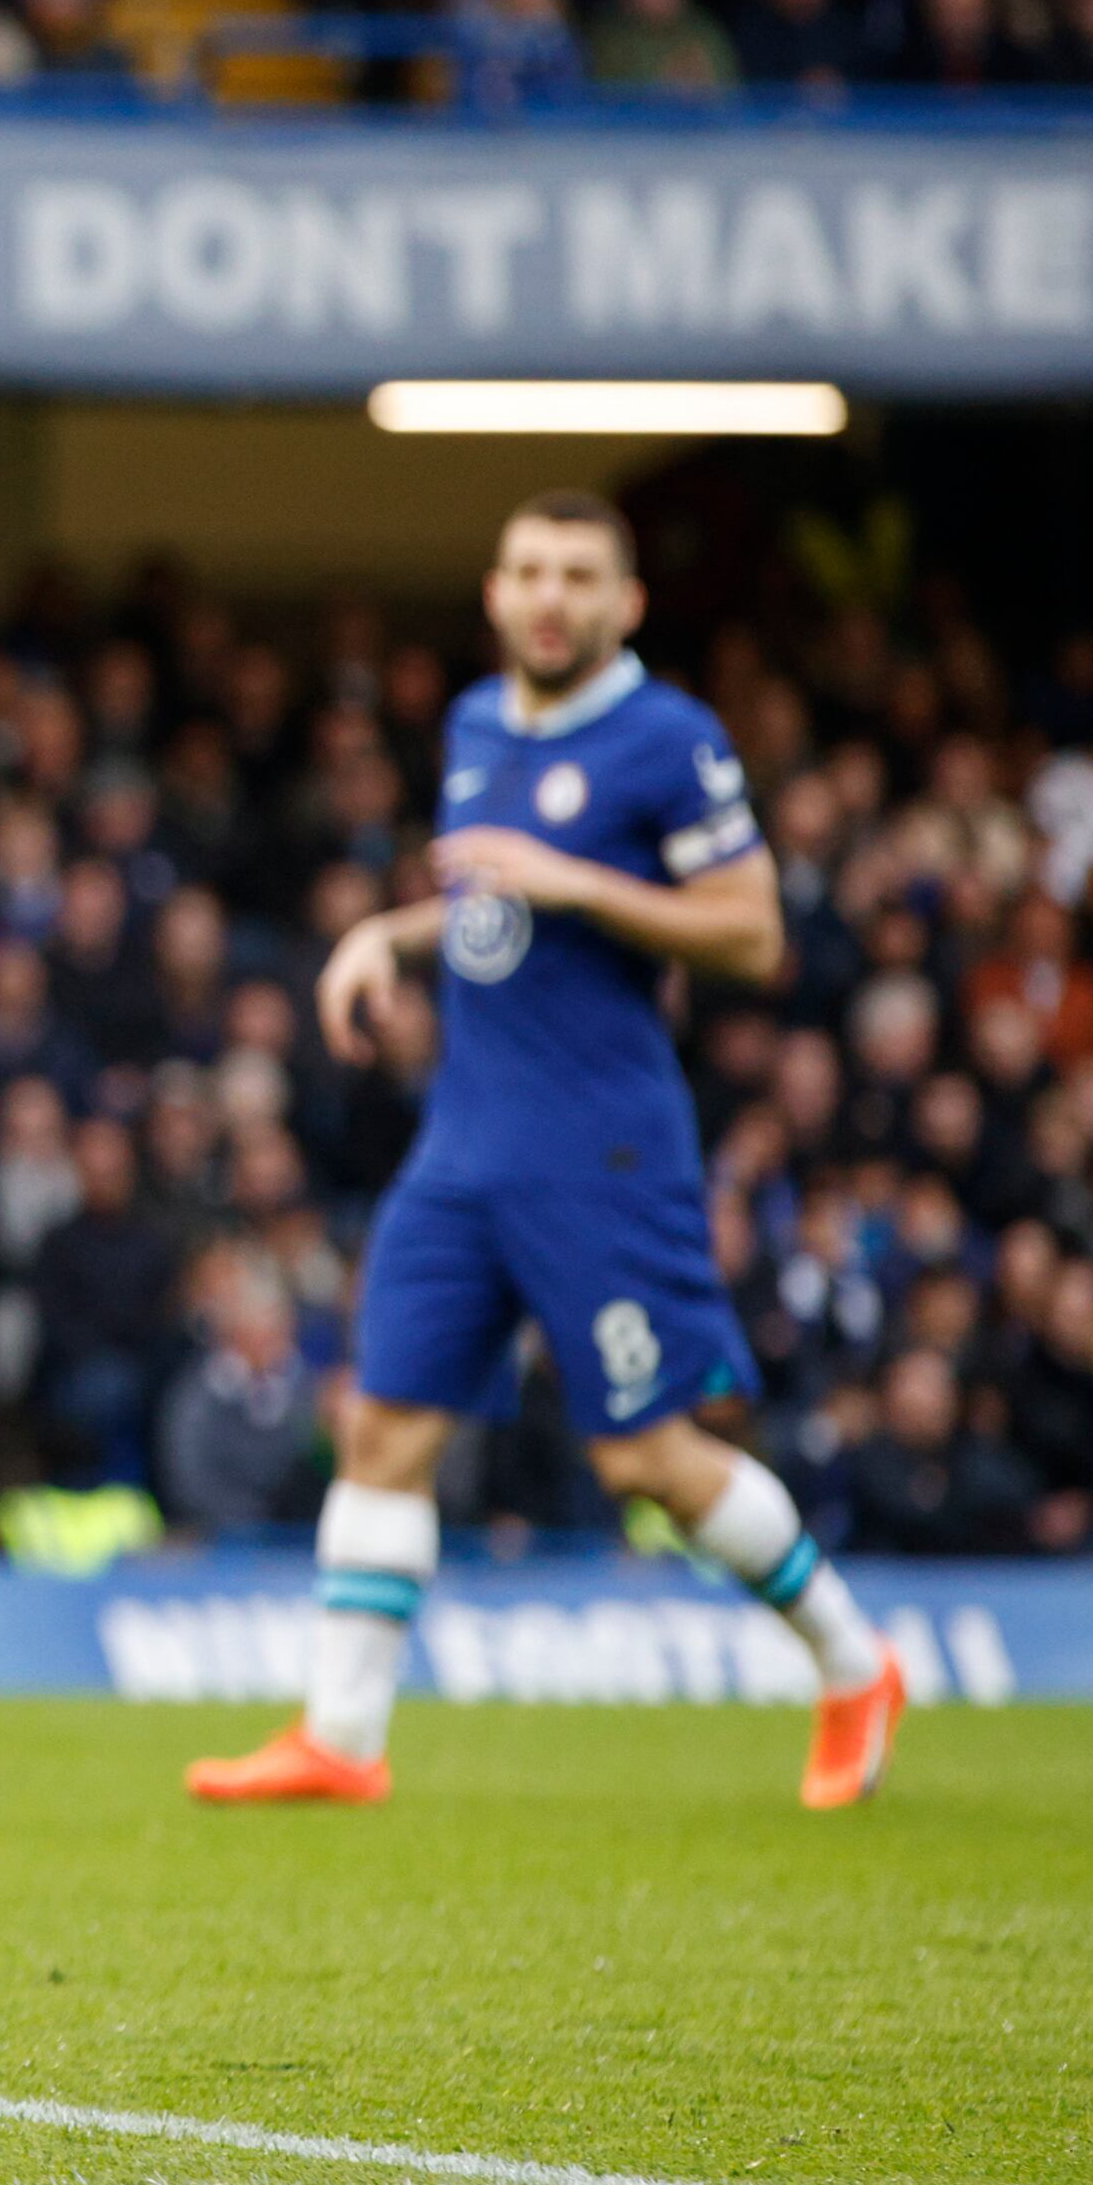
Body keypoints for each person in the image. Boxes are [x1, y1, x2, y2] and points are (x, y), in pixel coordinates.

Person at [194, 493, 905, 1811]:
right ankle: (342, 1740)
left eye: (580, 575)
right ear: (495, 589)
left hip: (602, 1149)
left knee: (644, 1460)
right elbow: (490, 899)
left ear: (626, 602)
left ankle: (855, 1666)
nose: (550, 596)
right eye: (529, 570)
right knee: (385, 1426)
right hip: (464, 1140)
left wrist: (584, 885)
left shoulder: (666, 740)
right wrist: (390, 938)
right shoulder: (476, 721)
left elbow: (751, 935)